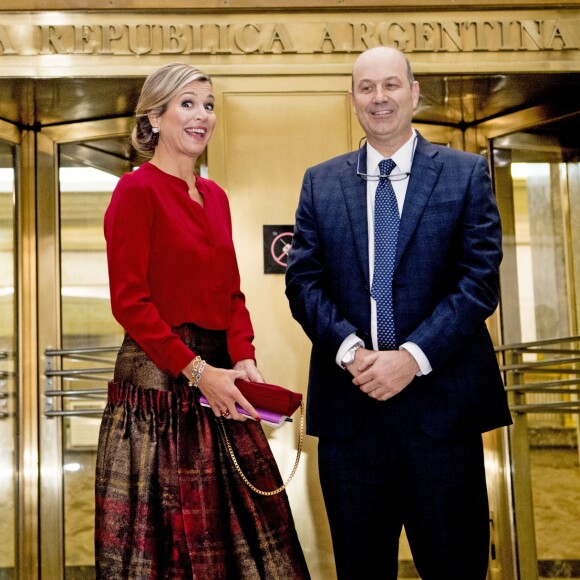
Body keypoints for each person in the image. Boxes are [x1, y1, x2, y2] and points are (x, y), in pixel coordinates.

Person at [285, 46, 512, 580]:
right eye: (366, 88)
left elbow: (478, 282)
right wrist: (350, 350)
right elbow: (302, 281)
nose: (379, 98)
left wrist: (410, 357)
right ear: (352, 101)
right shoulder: (320, 181)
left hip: (442, 419)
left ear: (414, 93)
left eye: (391, 85)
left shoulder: (465, 174)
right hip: (351, 418)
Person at [96, 62, 310, 579]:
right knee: (169, 550)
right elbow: (130, 303)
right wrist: (198, 372)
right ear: (155, 117)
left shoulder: (215, 197)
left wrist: (244, 357)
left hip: (222, 383)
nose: (202, 116)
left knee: (249, 548)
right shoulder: (136, 190)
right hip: (159, 389)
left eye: (208, 105)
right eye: (187, 103)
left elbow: (232, 292)